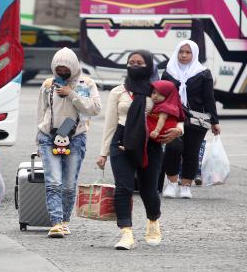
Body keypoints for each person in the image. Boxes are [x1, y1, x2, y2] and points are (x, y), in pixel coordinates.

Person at [96, 50, 183, 250]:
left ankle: (153, 222)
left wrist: (178, 131)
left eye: (139, 62)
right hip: (121, 141)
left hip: (150, 143)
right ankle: (126, 233)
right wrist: (103, 153)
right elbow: (110, 124)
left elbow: (175, 114)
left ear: (150, 65)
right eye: (131, 62)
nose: (134, 65)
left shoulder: (159, 90)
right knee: (124, 188)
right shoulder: (118, 91)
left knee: (148, 190)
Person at [36, 47, 101, 238]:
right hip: (48, 137)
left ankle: (65, 221)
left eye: (66, 69)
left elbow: (95, 108)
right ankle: (56, 223)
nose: (63, 73)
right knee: (53, 182)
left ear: (74, 67)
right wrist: (37, 142)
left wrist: (72, 94)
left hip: (75, 138)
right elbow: (40, 113)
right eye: (59, 69)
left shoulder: (86, 83)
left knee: (68, 185)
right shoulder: (48, 84)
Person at [161, 40, 221, 199]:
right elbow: (162, 96)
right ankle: (172, 183)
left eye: (188, 52)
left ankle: (186, 186)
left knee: (191, 151)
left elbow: (209, 99)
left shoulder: (203, 73)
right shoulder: (168, 72)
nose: (184, 55)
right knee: (173, 147)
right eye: (181, 52)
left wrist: (214, 122)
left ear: (194, 54)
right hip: (173, 118)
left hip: (196, 119)